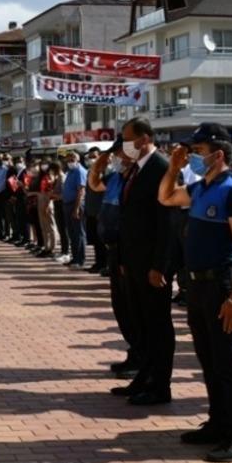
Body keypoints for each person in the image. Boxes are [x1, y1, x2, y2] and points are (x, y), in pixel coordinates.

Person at [158, 124, 232, 462]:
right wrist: (172, 168)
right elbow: (166, 197)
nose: (194, 157)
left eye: (198, 151)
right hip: (198, 285)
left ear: (218, 154)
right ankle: (218, 423)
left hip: (222, 285)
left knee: (230, 361)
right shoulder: (201, 187)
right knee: (209, 358)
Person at [112, 118, 174, 406]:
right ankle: (144, 377)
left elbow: (167, 223)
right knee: (141, 322)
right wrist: (124, 258)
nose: (125, 145)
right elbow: (128, 217)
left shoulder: (162, 167)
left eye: (128, 139)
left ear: (144, 138)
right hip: (134, 261)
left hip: (152, 264)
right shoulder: (136, 169)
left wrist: (160, 265)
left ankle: (160, 385)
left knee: (157, 324)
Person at [91, 144, 140, 378]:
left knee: (133, 308)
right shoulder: (114, 178)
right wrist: (101, 159)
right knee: (120, 307)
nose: (115, 158)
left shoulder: (136, 180)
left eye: (118, 154)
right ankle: (134, 351)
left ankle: (141, 356)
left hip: (127, 252)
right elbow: (94, 183)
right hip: (113, 250)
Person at [61, 151, 88, 268]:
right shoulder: (70, 172)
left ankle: (80, 260)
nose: (70, 162)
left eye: (72, 160)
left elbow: (81, 191)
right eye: (68, 160)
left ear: (78, 160)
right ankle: (74, 258)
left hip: (75, 205)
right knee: (72, 233)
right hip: (67, 205)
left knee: (78, 233)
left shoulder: (79, 171)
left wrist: (76, 208)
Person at [39, 161, 62, 258]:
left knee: (51, 225)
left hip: (48, 200)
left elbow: (51, 191)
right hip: (42, 198)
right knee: (44, 226)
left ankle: (52, 248)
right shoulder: (44, 176)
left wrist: (47, 204)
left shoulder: (54, 178)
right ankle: (46, 247)